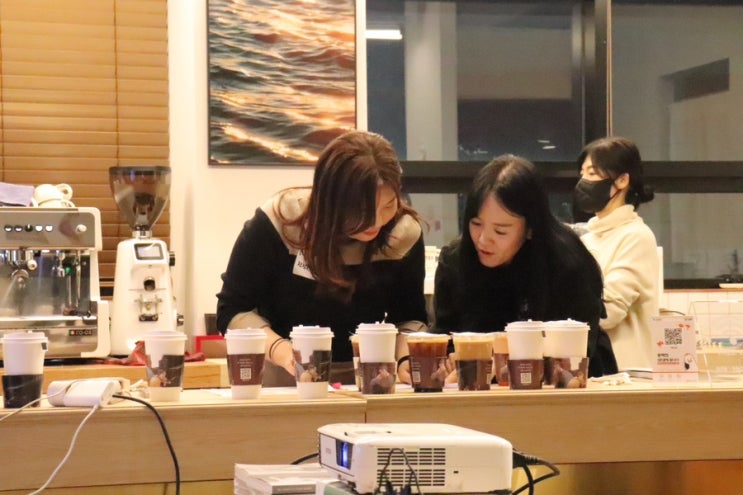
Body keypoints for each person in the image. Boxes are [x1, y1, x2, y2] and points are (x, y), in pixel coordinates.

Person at [216, 131, 428, 386]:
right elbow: (232, 310)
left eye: (388, 205)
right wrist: (285, 353)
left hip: (370, 380)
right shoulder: (280, 223)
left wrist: (406, 359)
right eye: (361, 210)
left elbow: (410, 316)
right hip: (285, 377)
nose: (375, 221)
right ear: (329, 200)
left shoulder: (402, 234)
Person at [433, 154, 618, 378]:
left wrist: (504, 364)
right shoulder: (456, 261)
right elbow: (444, 336)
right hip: (477, 390)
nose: (483, 239)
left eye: (500, 231)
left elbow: (577, 349)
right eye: (476, 223)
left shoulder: (568, 264)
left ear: (531, 228)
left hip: (571, 387)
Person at [573, 136, 659, 370]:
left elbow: (609, 312)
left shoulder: (636, 236)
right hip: (594, 368)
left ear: (622, 180)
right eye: (582, 174)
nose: (583, 181)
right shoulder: (588, 238)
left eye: (592, 173)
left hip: (625, 371)